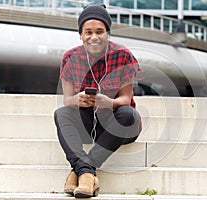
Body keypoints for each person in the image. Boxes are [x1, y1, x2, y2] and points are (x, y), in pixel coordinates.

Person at [53, 3, 142, 199]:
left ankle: (82, 171)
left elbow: (126, 99)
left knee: (128, 114)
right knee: (61, 113)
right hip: (88, 124)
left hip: (118, 126)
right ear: (81, 35)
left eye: (100, 31)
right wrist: (77, 99)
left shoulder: (123, 55)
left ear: (108, 33)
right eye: (88, 32)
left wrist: (108, 102)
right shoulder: (70, 57)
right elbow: (67, 100)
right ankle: (87, 174)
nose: (94, 37)